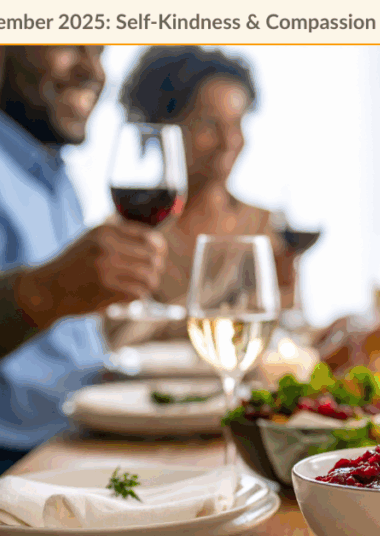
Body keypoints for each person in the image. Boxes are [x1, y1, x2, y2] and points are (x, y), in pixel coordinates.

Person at [0, 46, 167, 530]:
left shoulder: (52, 173)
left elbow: (60, 351)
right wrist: (52, 290)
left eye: (99, 51)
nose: (94, 70)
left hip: (69, 453)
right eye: (67, 40)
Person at [105, 46, 297, 349]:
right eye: (210, 124)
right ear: (166, 127)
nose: (229, 141)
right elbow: (112, 338)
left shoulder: (267, 227)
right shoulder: (125, 233)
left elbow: (287, 336)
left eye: (237, 123)